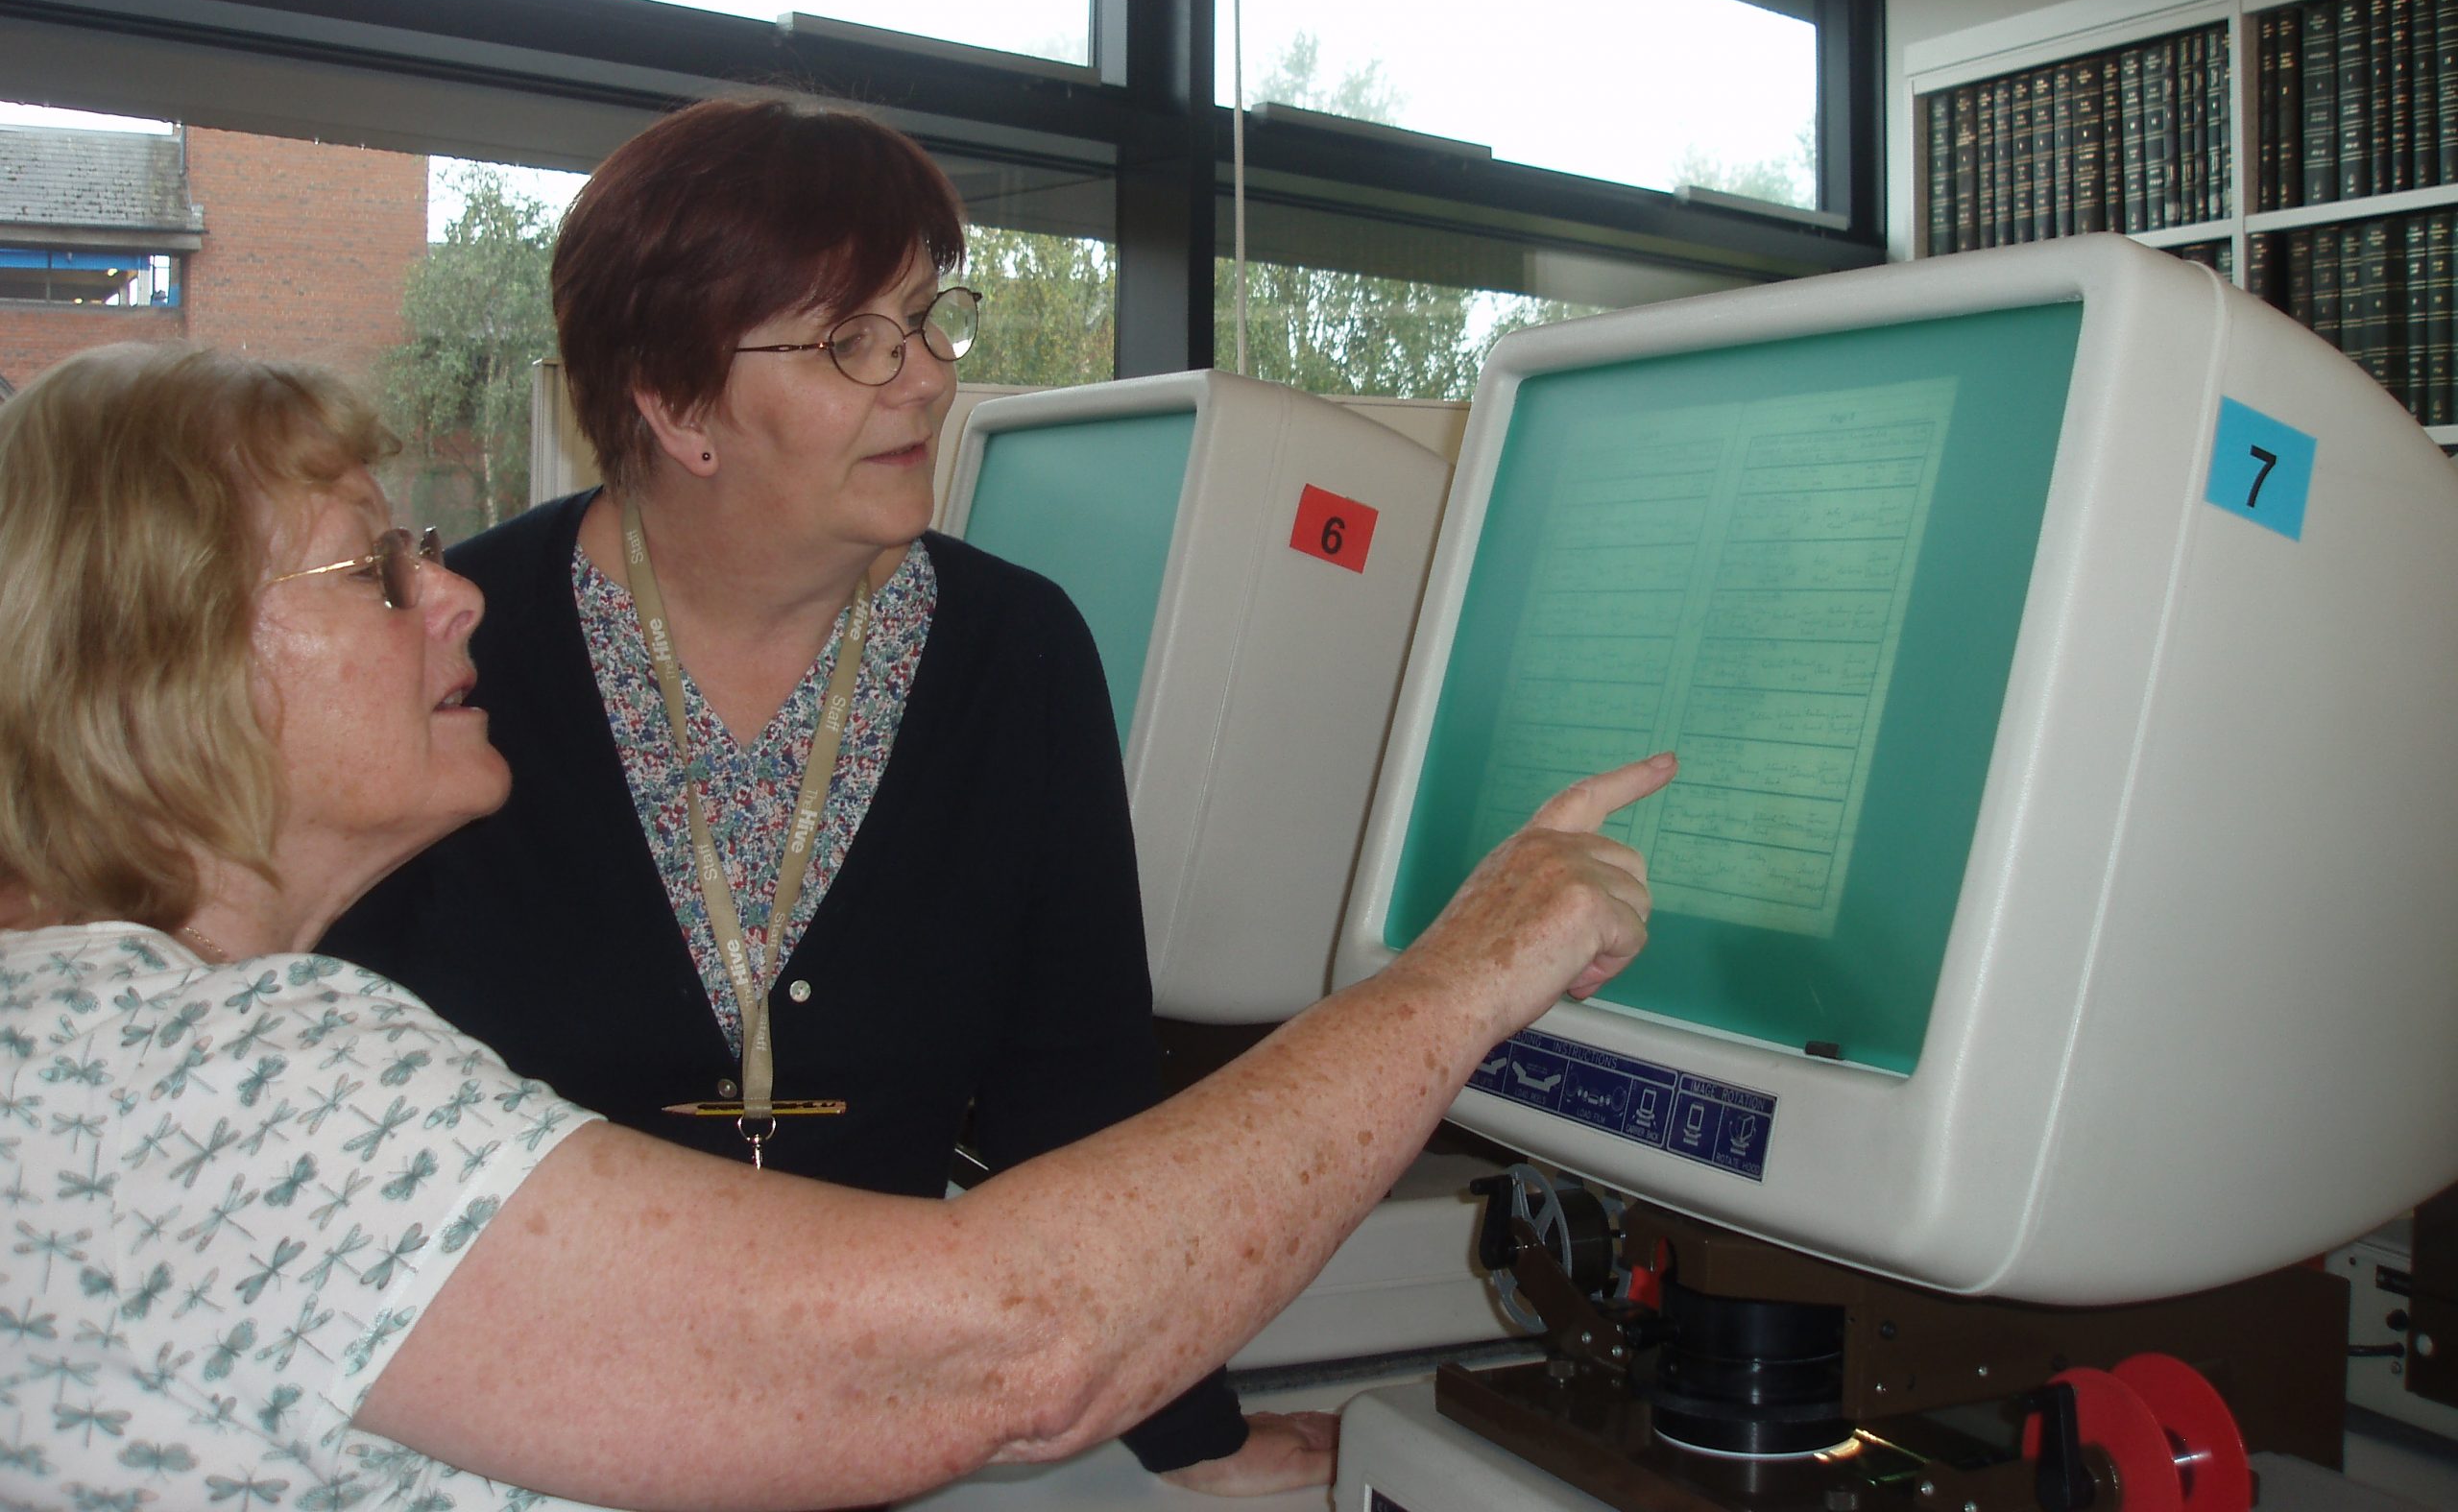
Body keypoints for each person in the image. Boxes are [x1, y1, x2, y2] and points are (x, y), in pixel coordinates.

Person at [0, 340, 1673, 1512]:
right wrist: (1465, 972)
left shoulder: (79, 1035)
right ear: (170, 657)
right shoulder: (214, 1086)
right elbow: (1015, 1344)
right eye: (374, 573)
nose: (453, 596)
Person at [323, 99, 1276, 1487]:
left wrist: (1191, 1448)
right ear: (677, 404)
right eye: (856, 342)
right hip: (513, 1444)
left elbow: (1078, 1107)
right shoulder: (465, 660)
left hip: (879, 1440)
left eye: (928, 320)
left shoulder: (1015, 656)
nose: (932, 378)